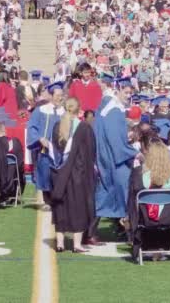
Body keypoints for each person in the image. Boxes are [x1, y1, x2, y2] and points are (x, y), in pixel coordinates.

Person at [92, 79, 138, 241]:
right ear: (117, 90)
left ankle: (89, 232)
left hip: (106, 156)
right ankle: (130, 233)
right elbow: (116, 141)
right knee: (124, 192)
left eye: (130, 93)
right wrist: (132, 152)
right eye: (125, 92)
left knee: (105, 193)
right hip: (114, 159)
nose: (128, 96)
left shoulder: (108, 107)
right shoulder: (114, 111)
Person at [49, 97, 96, 253]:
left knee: (61, 207)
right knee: (78, 208)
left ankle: (60, 243)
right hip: (78, 176)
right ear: (79, 109)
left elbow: (52, 153)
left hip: (59, 174)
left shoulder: (57, 126)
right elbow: (90, 153)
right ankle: (76, 244)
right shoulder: (84, 127)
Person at [128, 136, 170, 261]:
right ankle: (166, 247)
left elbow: (131, 203)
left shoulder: (138, 173)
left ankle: (147, 248)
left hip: (144, 219)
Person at [26, 82, 65, 198]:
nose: (60, 97)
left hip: (60, 149)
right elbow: (32, 127)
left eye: (61, 95)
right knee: (45, 172)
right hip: (44, 149)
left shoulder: (64, 112)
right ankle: (47, 198)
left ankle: (57, 196)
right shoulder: (41, 110)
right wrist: (39, 138)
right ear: (51, 96)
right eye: (57, 95)